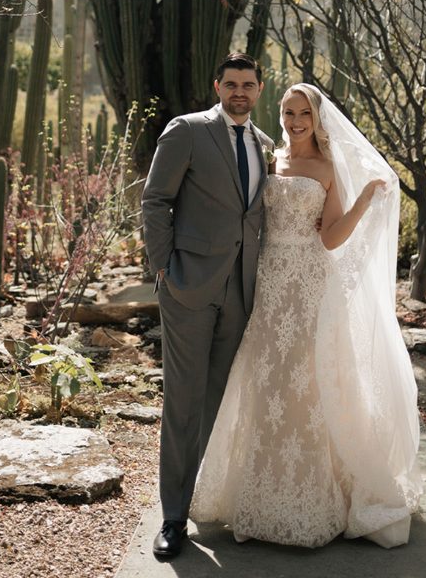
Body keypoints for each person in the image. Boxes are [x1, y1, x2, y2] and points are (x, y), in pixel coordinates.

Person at [190, 83, 422, 549]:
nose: (295, 121)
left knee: (308, 380)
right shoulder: (267, 157)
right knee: (266, 378)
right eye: (288, 112)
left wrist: (362, 202)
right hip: (269, 280)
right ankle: (257, 497)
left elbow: (332, 238)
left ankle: (316, 496)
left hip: (309, 284)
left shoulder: (327, 166)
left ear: (316, 119)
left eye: (303, 114)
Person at [141, 52, 275, 560]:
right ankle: (173, 518)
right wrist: (163, 270)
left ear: (259, 89)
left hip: (241, 293)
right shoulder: (188, 131)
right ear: (217, 86)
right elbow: (156, 200)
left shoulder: (265, 146)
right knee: (182, 401)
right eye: (231, 84)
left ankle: (206, 498)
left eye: (248, 84)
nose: (239, 92)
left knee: (218, 400)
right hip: (188, 287)